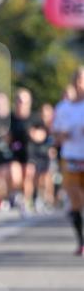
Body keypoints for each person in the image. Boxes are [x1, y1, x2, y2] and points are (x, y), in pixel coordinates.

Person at [52, 66, 84, 255]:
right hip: (71, 157)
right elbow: (55, 134)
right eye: (77, 79)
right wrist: (61, 136)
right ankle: (81, 241)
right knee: (75, 199)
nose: (79, 83)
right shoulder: (63, 107)